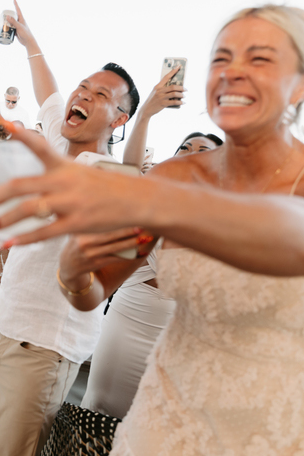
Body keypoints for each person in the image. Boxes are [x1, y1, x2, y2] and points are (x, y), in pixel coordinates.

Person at [0, 4, 304, 455]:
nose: (232, 72)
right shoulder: (174, 177)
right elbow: (94, 291)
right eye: (221, 58)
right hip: (167, 417)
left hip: (282, 428)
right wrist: (75, 270)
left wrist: (149, 199)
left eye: (258, 59)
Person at [0, 0, 143, 456]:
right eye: (84, 87)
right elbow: (49, 89)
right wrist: (27, 36)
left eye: (101, 96)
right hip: (1, 325)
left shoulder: (111, 174)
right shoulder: (60, 135)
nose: (83, 96)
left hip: (45, 347)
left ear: (119, 119)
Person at [82, 130, 222, 420]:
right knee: (99, 411)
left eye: (203, 151)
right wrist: (145, 116)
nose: (191, 153)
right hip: (126, 323)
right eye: (185, 147)